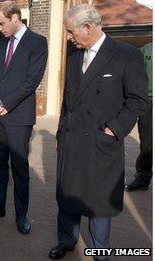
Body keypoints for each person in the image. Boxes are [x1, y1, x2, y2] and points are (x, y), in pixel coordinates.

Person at [50, 4, 148, 260]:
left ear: (88, 28)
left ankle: (99, 249)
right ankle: (67, 241)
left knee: (98, 200)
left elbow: (138, 101)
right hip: (72, 140)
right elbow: (67, 102)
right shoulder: (73, 56)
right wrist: (61, 134)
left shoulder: (126, 55)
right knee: (67, 194)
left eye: (70, 32)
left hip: (100, 142)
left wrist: (113, 130)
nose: (68, 38)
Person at [0, 1, 47, 235]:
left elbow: (32, 80)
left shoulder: (38, 42)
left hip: (18, 117)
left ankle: (21, 216)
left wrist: (6, 104)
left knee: (19, 168)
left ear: (16, 17)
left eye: (2, 23)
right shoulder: (0, 44)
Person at [125, 42, 153, 191]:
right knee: (147, 142)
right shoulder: (146, 49)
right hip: (149, 100)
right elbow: (136, 73)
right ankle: (142, 178)